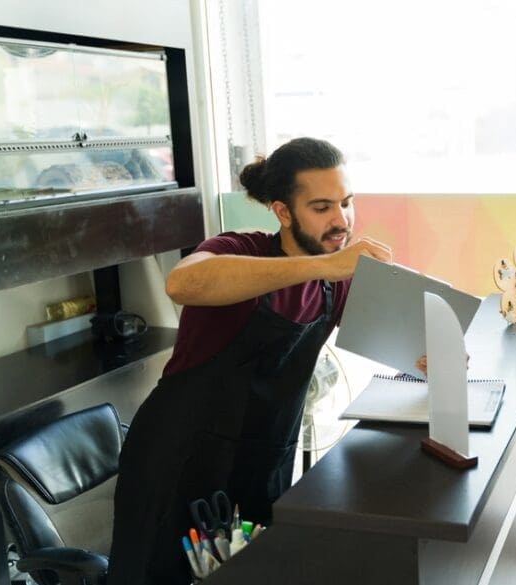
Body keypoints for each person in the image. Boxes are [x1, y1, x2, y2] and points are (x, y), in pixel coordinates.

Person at [107, 137, 392, 585]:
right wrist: (326, 265)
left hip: (263, 464)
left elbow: (392, 336)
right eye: (322, 207)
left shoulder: (335, 281)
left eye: (346, 203)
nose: (341, 220)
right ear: (283, 212)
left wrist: (433, 346)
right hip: (177, 461)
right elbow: (183, 284)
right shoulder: (242, 249)